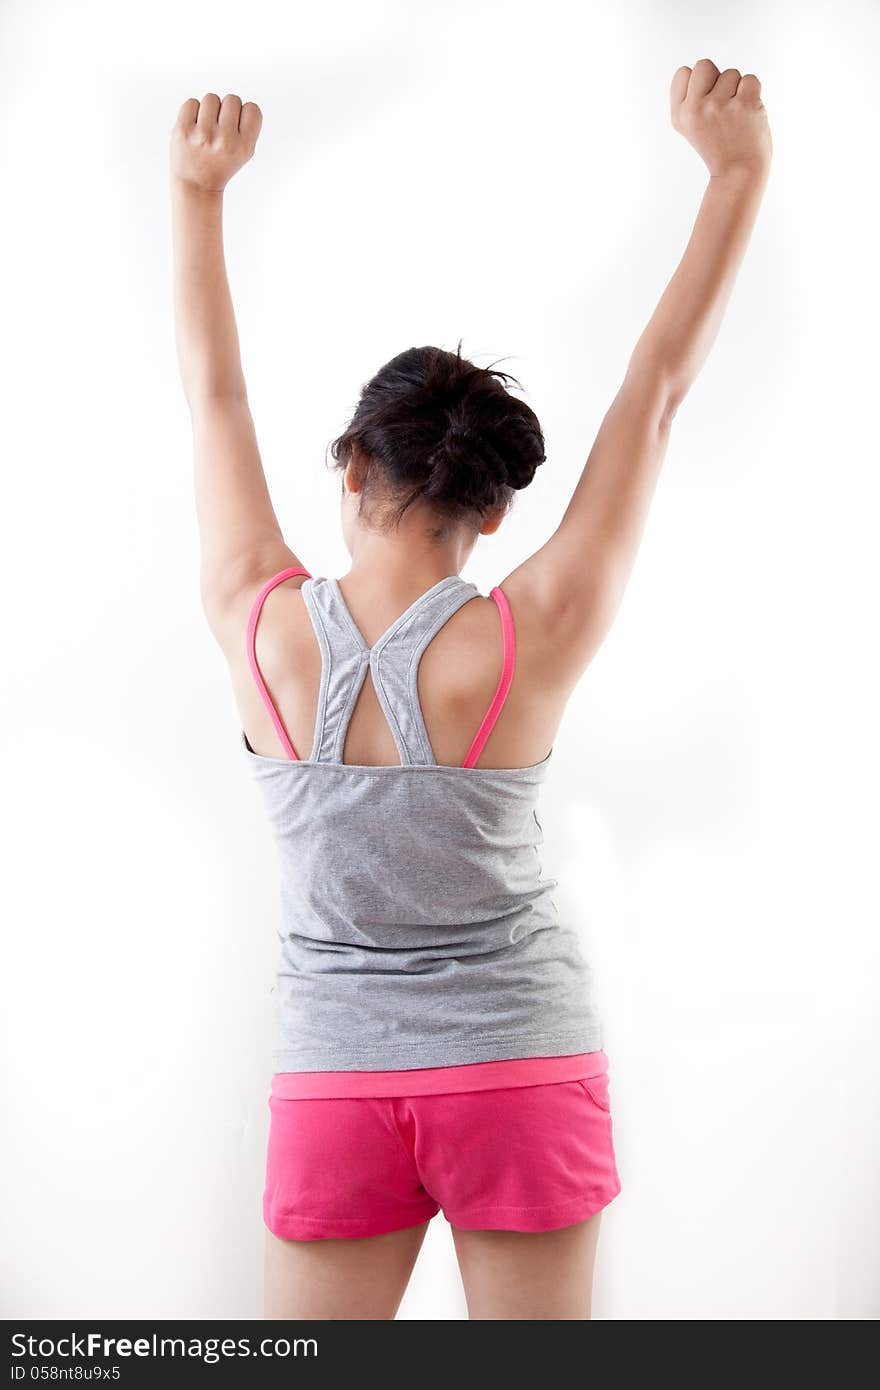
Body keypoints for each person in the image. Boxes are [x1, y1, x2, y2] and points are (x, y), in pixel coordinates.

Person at [169, 58, 772, 1321]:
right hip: (521, 1059)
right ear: (494, 516)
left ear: (348, 467)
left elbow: (212, 396)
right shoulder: (531, 632)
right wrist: (736, 173)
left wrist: (197, 192)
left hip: (334, 1078)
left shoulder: (257, 617)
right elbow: (652, 401)